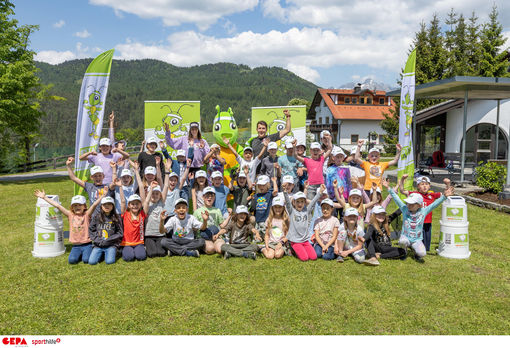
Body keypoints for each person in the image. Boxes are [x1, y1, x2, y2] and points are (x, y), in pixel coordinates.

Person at [384, 178, 454, 263]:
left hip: (417, 239)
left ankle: (416, 253)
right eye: (408, 203)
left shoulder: (423, 211)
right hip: (405, 237)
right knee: (402, 241)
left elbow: (434, 205)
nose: (409, 205)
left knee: (422, 253)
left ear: (419, 205)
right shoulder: (405, 209)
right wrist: (388, 188)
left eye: (412, 204)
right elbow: (397, 199)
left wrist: (444, 197)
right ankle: (404, 250)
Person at [34, 189, 104, 264]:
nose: (77, 207)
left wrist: (103, 196)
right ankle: (81, 254)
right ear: (72, 207)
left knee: (86, 260)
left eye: (80, 205)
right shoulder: (70, 215)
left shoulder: (87, 215)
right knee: (72, 261)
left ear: (84, 206)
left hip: (87, 244)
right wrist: (44, 197)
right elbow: (58, 206)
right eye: (75, 205)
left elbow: (94, 205)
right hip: (76, 246)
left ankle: (93, 252)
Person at [398, 174, 451, 252]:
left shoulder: (432, 195)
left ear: (429, 186)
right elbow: (402, 191)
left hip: (427, 222)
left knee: (426, 248)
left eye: (427, 184)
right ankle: (409, 246)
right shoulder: (414, 195)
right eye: (422, 184)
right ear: (418, 186)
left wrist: (448, 184)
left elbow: (447, 193)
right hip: (417, 224)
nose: (425, 186)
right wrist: (402, 179)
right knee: (415, 241)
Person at [284, 184, 324, 261]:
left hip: (305, 241)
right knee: (304, 258)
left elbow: (313, 202)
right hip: (295, 241)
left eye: (302, 202)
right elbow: (288, 203)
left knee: (313, 257)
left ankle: (301, 249)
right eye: (298, 202)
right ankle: (292, 248)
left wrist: (320, 193)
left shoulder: (306, 211)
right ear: (294, 202)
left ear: (305, 203)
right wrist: (285, 192)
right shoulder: (292, 211)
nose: (300, 204)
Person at [194, 186, 231, 254]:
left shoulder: (217, 210)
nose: (209, 198)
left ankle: (219, 245)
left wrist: (229, 216)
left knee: (220, 249)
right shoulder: (197, 211)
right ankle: (207, 246)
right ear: (203, 197)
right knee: (210, 249)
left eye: (212, 196)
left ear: (214, 197)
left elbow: (222, 225)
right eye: (207, 196)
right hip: (204, 237)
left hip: (216, 235)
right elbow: (194, 229)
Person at [294, 136, 332, 200]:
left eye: (317, 150)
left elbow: (329, 149)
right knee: (311, 204)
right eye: (313, 150)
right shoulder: (307, 160)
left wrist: (329, 140)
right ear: (310, 151)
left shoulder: (322, 159)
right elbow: (296, 156)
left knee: (321, 204)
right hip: (310, 186)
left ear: (320, 151)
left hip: (320, 185)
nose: (315, 152)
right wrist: (294, 146)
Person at [88, 196, 123, 265]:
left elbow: (120, 233)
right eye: (104, 205)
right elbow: (91, 230)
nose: (107, 206)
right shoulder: (96, 217)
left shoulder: (116, 217)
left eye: (109, 204)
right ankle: (102, 254)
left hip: (111, 244)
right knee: (92, 262)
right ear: (101, 206)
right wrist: (98, 240)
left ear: (113, 206)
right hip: (99, 244)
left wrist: (108, 240)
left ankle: (114, 251)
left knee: (109, 261)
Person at [142, 180, 169, 258]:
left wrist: (167, 171)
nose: (154, 195)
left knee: (161, 253)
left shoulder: (161, 203)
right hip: (149, 235)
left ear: (160, 195)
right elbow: (146, 201)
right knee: (152, 254)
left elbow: (166, 186)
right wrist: (151, 189)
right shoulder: (147, 204)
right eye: (153, 194)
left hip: (160, 235)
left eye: (157, 193)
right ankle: (146, 247)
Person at [118, 191, 147, 262]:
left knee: (141, 257)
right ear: (129, 205)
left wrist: (151, 188)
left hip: (139, 243)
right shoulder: (125, 214)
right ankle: (123, 250)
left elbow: (146, 202)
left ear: (140, 205)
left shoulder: (142, 214)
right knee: (128, 258)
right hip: (127, 243)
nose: (135, 206)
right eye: (132, 204)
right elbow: (122, 201)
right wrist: (120, 186)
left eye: (137, 204)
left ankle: (140, 249)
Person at [250, 175, 278, 240]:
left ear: (268, 185)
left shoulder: (269, 193)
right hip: (258, 219)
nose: (261, 187)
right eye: (259, 185)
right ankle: (258, 239)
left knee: (266, 235)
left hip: (266, 219)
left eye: (263, 185)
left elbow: (276, 191)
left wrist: (274, 181)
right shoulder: (256, 195)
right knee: (257, 237)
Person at [261, 195, 290, 259]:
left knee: (277, 255)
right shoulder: (269, 219)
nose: (277, 209)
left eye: (279, 207)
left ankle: (282, 250)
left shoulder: (285, 219)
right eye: (275, 207)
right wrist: (266, 245)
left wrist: (281, 243)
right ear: (272, 208)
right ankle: (262, 249)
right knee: (270, 256)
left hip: (281, 243)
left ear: (283, 208)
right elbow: (267, 235)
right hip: (271, 242)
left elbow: (288, 235)